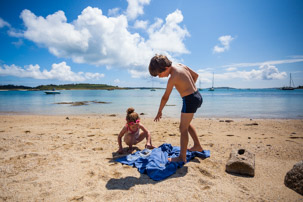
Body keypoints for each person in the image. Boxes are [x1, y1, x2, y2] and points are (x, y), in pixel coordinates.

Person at [149, 54, 203, 163]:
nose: (159, 77)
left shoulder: (173, 77)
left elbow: (165, 97)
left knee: (182, 129)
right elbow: (195, 75)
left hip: (190, 100)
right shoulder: (180, 65)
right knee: (186, 124)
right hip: (197, 95)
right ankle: (197, 145)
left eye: (159, 74)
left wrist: (159, 111)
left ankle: (181, 157)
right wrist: (188, 88)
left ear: (166, 68)